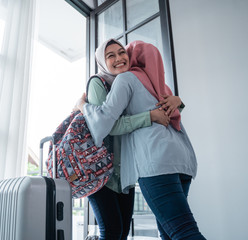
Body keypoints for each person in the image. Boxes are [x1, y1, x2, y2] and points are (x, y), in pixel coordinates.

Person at [75, 40, 206, 240]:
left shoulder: (126, 79)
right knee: (170, 232)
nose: (119, 58)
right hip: (182, 161)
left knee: (182, 232)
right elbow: (173, 109)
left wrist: (82, 106)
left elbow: (103, 121)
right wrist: (174, 104)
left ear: (132, 56)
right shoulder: (159, 84)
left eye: (122, 53)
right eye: (111, 55)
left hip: (157, 163)